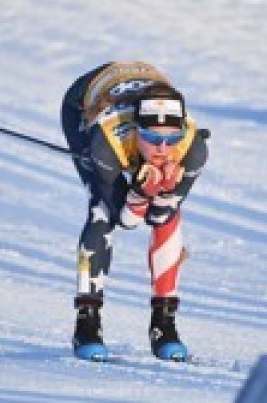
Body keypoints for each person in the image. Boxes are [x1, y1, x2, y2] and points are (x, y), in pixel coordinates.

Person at [60, 61, 208, 362]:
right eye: (152, 139)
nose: (163, 149)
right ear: (138, 131)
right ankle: (87, 324)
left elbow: (160, 216)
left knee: (169, 217)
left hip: (136, 81)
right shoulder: (108, 141)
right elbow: (126, 220)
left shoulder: (192, 148)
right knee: (103, 212)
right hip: (82, 100)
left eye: (171, 139)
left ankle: (164, 325)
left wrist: (164, 192)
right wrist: (141, 193)